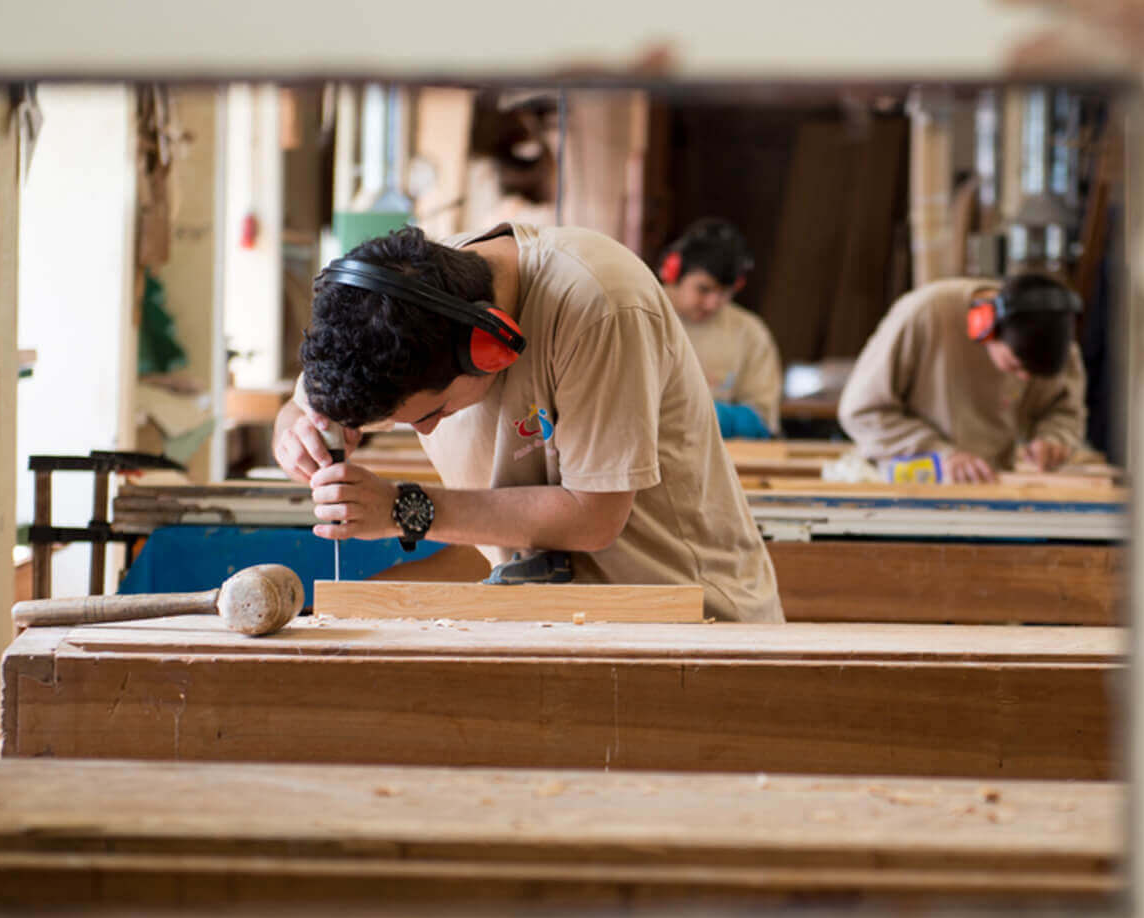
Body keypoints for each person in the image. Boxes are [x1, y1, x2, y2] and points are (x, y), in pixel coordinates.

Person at [272, 223, 783, 623]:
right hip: (554, 613)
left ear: (491, 349)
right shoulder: (395, 303)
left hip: (688, 616)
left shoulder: (600, 306)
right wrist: (297, 429)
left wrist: (404, 510)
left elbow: (593, 516)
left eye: (433, 414)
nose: (426, 433)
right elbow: (300, 405)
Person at [837, 272, 1088, 485]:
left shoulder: (1053, 337)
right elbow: (861, 412)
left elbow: (1063, 409)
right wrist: (942, 454)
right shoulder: (927, 313)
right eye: (1015, 366)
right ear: (986, 327)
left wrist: (1053, 439)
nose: (1024, 378)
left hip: (992, 487)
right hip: (910, 489)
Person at [657, 219, 782, 438]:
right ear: (673, 272)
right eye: (703, 289)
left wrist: (713, 416)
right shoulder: (639, 317)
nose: (713, 303)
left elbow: (763, 417)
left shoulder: (750, 333)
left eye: (725, 293)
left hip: (717, 457)